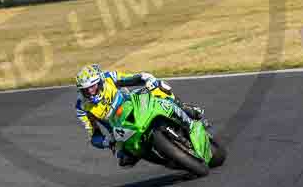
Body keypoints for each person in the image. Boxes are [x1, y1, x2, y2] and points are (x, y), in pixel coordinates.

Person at [74, 64, 206, 167]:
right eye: (85, 90)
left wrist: (148, 79)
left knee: (160, 87)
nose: (90, 92)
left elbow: (133, 78)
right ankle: (169, 162)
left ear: (100, 82)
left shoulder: (109, 78)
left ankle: (184, 108)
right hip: (118, 129)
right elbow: (94, 136)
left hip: (134, 105)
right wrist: (108, 143)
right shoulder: (82, 107)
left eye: (93, 87)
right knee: (125, 159)